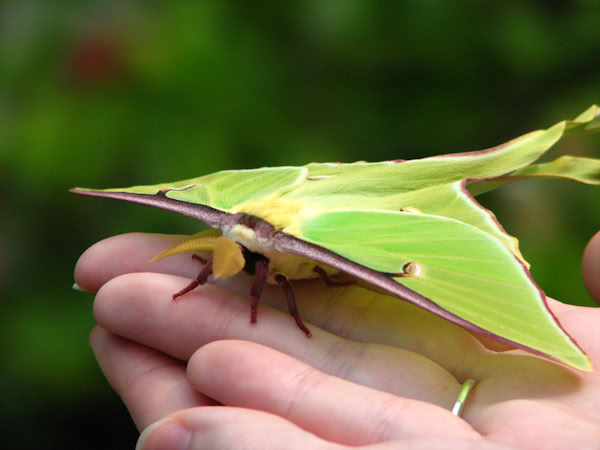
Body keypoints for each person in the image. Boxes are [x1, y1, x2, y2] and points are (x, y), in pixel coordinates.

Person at [74, 231, 600, 449]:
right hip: (276, 256)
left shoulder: (270, 265)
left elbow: (278, 275)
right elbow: (230, 257)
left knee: (292, 274)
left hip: (315, 260)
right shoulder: (235, 251)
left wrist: (263, 304)